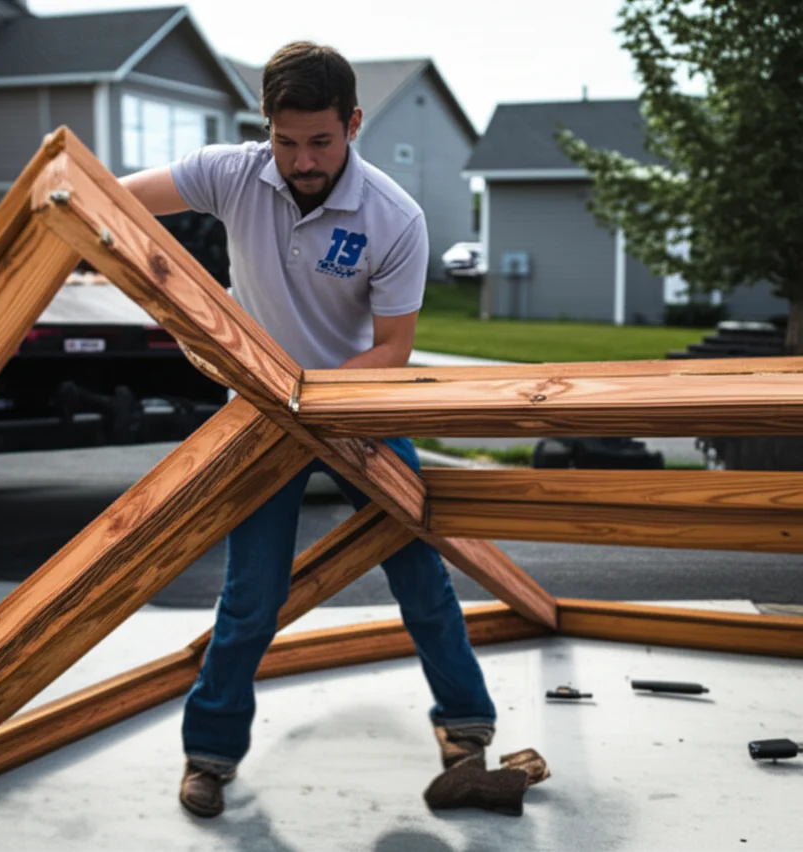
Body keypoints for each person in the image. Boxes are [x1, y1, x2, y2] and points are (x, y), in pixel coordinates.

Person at [120, 40, 497, 819]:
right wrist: (183, 303)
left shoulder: (395, 218)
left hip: (360, 415)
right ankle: (210, 755)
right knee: (250, 597)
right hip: (260, 421)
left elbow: (391, 352)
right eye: (286, 142)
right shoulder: (232, 173)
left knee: (421, 579)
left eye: (321, 141)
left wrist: (303, 394)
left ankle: (466, 730)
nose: (302, 160)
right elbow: (112, 200)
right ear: (267, 130)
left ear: (353, 123)